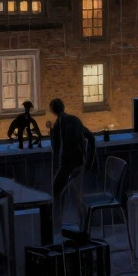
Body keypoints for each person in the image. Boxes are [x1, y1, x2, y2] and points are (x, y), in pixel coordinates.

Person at [49, 98, 95, 230]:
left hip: (69, 165)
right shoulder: (74, 119)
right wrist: (90, 160)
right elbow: (91, 137)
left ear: (53, 111)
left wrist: (52, 134)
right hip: (78, 163)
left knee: (59, 191)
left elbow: (56, 148)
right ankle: (82, 224)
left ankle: (58, 224)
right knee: (73, 194)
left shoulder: (59, 124)